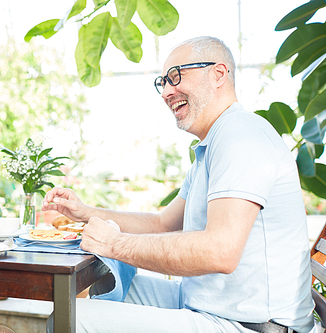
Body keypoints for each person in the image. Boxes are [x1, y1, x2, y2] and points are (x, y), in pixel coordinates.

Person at [42, 36, 314, 333]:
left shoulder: (240, 135)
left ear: (219, 74)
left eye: (176, 76)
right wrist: (84, 212)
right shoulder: (211, 145)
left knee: (70, 317)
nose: (167, 92)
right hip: (207, 304)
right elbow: (162, 224)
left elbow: (220, 251)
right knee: (99, 287)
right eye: (163, 82)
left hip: (248, 325)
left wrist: (114, 244)